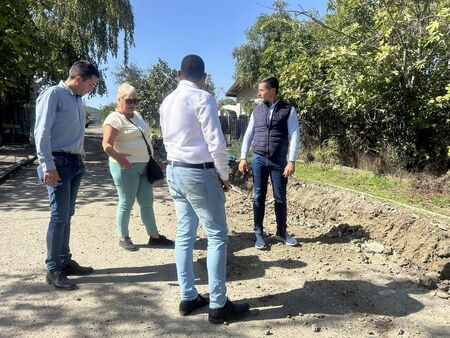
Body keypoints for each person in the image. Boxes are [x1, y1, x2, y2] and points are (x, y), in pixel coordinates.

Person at [160, 55, 250, 324]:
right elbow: (216, 141)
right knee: (217, 236)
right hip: (198, 172)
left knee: (185, 234)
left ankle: (188, 297)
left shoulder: (166, 101)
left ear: (179, 74)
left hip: (174, 170)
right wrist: (224, 175)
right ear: (204, 77)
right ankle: (218, 304)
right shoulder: (202, 98)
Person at [35, 60, 99, 290]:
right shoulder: (54, 94)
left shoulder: (78, 100)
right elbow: (41, 131)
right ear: (79, 79)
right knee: (59, 216)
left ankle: (64, 260)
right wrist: (47, 165)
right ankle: (53, 269)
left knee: (67, 214)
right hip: (58, 163)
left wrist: (80, 155)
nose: (91, 90)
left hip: (73, 163)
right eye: (91, 85)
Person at [102, 83, 174, 252]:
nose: (133, 105)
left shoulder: (137, 115)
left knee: (147, 202)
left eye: (136, 101)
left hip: (144, 165)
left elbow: (146, 138)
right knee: (126, 202)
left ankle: (154, 237)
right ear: (120, 100)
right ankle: (123, 236)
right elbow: (106, 145)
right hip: (125, 167)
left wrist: (153, 157)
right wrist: (119, 157)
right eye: (129, 101)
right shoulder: (114, 118)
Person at [238, 76, 300, 250]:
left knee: (280, 197)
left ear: (273, 91)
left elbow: (294, 135)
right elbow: (249, 134)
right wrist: (243, 157)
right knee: (258, 196)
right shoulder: (257, 110)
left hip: (278, 160)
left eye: (262, 90)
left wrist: (291, 160)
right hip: (258, 158)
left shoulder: (288, 110)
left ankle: (281, 232)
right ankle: (259, 233)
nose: (259, 93)